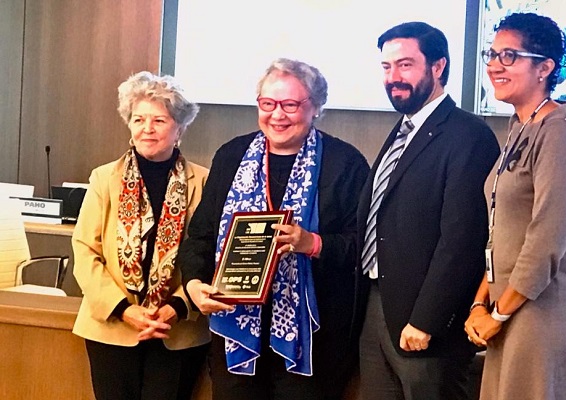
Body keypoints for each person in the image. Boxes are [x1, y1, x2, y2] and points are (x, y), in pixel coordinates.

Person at [176, 58, 369, 400]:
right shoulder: (231, 155)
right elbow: (200, 237)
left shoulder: (345, 162)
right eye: (268, 104)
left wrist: (312, 242)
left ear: (316, 108)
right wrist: (194, 285)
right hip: (235, 330)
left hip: (313, 343)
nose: (277, 115)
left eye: (290, 104)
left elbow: (363, 247)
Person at [355, 21, 500, 399]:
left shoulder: (468, 134)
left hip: (425, 323)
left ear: (438, 67)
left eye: (405, 65)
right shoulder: (404, 129)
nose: (393, 77)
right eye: (386, 67)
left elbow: (462, 239)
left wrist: (426, 319)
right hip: (377, 306)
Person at [464, 13, 566, 400]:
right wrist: (479, 303)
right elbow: (501, 234)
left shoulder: (560, 130)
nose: (493, 65)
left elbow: (544, 242)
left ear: (545, 68)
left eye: (509, 56)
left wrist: (498, 314)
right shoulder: (521, 125)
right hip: (507, 311)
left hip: (543, 316)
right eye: (492, 54)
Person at [72, 71, 211, 400]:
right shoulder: (104, 178)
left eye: (159, 120)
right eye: (138, 119)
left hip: (176, 329)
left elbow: (209, 254)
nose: (147, 129)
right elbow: (85, 250)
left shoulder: (204, 182)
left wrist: (176, 306)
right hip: (112, 327)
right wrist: (125, 310)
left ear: (179, 128)